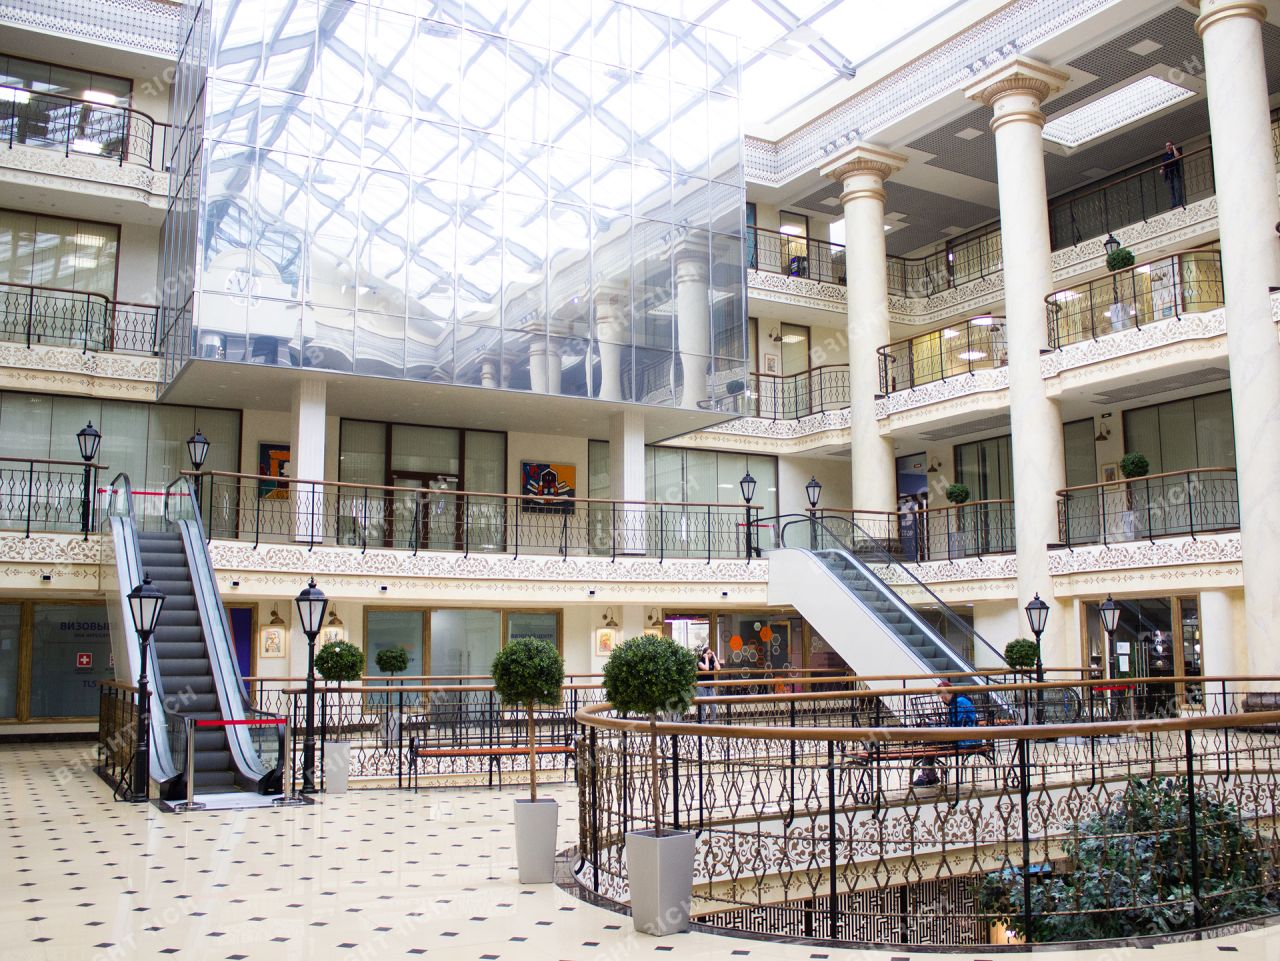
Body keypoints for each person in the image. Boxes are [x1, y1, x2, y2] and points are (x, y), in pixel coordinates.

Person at [912, 680, 977, 787]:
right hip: (965, 736)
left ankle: (928, 776)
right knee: (930, 739)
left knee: (930, 740)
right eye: (941, 696)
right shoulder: (957, 701)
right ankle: (928, 775)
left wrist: (940, 727)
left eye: (943, 695)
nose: (942, 698)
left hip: (965, 738)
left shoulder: (959, 702)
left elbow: (957, 725)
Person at [697, 645, 722, 720]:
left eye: (710, 653)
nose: (709, 655)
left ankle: (713, 722)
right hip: (702, 687)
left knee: (713, 706)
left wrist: (714, 656)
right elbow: (706, 669)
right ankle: (702, 723)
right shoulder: (700, 662)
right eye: (708, 653)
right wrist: (706, 658)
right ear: (704, 654)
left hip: (711, 687)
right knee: (702, 706)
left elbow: (718, 668)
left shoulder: (712, 661)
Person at [1160, 141, 1184, 209]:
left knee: (1177, 188)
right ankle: (1174, 204)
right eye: (1167, 146)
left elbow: (1177, 156)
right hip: (1169, 176)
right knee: (1172, 190)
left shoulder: (1175, 152)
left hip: (1176, 174)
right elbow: (1163, 165)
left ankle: (1179, 203)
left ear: (1172, 145)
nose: (1168, 147)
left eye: (1169, 145)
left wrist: (1173, 148)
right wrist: (1161, 170)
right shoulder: (1165, 157)